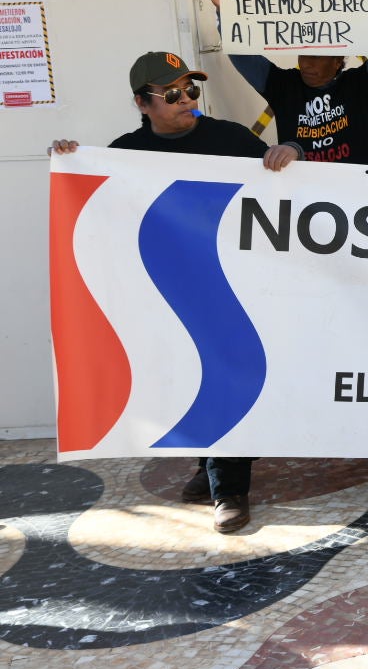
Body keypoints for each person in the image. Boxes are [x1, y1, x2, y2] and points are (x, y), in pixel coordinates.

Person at [51, 52, 301, 534]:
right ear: (143, 104)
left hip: (231, 283)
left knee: (228, 373)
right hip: (164, 289)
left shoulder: (227, 137)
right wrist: (69, 159)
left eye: (191, 90)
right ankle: (209, 469)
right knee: (180, 376)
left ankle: (229, 487)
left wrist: (292, 151)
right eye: (172, 94)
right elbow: (96, 196)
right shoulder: (126, 152)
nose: (186, 100)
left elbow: (291, 169)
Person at [208, 0, 368, 165]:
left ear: (338, 61)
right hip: (303, 196)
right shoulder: (283, 86)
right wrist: (225, 13)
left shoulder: (361, 85)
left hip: (355, 193)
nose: (305, 64)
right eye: (303, 55)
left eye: (315, 57)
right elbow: (243, 56)